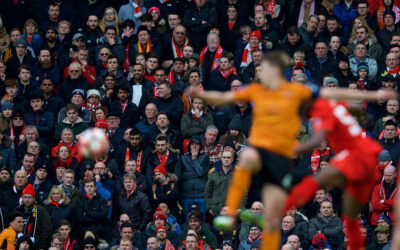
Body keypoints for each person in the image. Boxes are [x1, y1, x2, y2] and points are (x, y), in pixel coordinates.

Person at [192, 51, 396, 250]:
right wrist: (200, 93)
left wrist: (371, 94)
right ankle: (234, 213)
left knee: (281, 210)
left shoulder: (303, 97)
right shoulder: (257, 90)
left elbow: (330, 95)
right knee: (249, 158)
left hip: (290, 157)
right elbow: (225, 97)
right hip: (269, 150)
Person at [16, 184, 53, 249]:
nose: (27, 199)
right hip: (19, 245)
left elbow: (47, 230)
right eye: (25, 197)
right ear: (22, 198)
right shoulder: (17, 211)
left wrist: (42, 247)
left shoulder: (41, 211)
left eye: (30, 197)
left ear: (34, 198)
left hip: (36, 245)